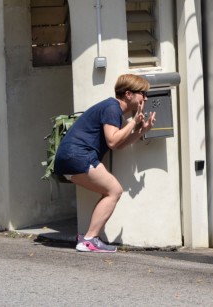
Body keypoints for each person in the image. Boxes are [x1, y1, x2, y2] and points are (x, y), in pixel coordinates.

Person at [54, 73, 157, 253]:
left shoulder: (114, 110)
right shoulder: (112, 108)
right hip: (79, 156)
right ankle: (89, 240)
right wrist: (133, 122)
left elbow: (118, 145)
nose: (145, 98)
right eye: (143, 93)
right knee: (114, 191)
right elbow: (112, 140)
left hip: (71, 157)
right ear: (128, 94)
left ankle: (88, 238)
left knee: (110, 191)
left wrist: (142, 130)